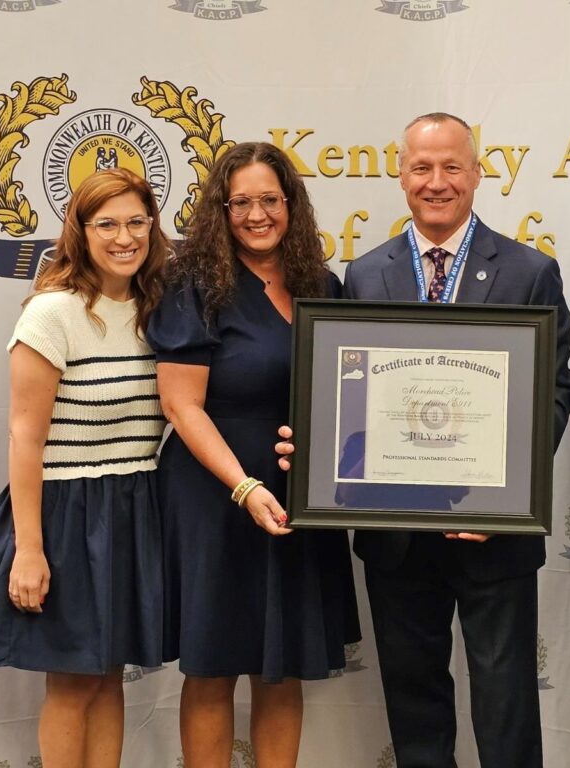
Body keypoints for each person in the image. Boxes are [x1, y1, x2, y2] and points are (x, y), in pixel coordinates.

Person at [341, 112, 570, 768]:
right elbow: (354, 402)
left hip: (494, 535)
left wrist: (502, 494)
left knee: (505, 706)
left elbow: (557, 390)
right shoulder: (364, 276)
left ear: (477, 174)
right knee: (415, 703)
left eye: (452, 167)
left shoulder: (531, 271)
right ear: (401, 175)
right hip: (396, 535)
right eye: (422, 167)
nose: (437, 181)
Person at [147, 142, 360, 768]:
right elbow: (182, 405)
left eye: (270, 199)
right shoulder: (193, 284)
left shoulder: (323, 284)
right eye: (241, 202)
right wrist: (243, 487)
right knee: (212, 668)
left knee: (283, 667)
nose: (257, 214)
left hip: (298, 499)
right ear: (220, 208)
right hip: (215, 495)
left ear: (291, 204)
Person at [0, 168, 170, 768]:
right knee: (74, 681)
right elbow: (24, 438)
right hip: (67, 512)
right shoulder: (52, 313)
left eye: (136, 221)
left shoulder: (156, 307)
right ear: (80, 232)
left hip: (134, 503)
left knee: (108, 675)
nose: (123, 236)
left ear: (153, 226)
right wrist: (30, 549)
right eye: (106, 223)